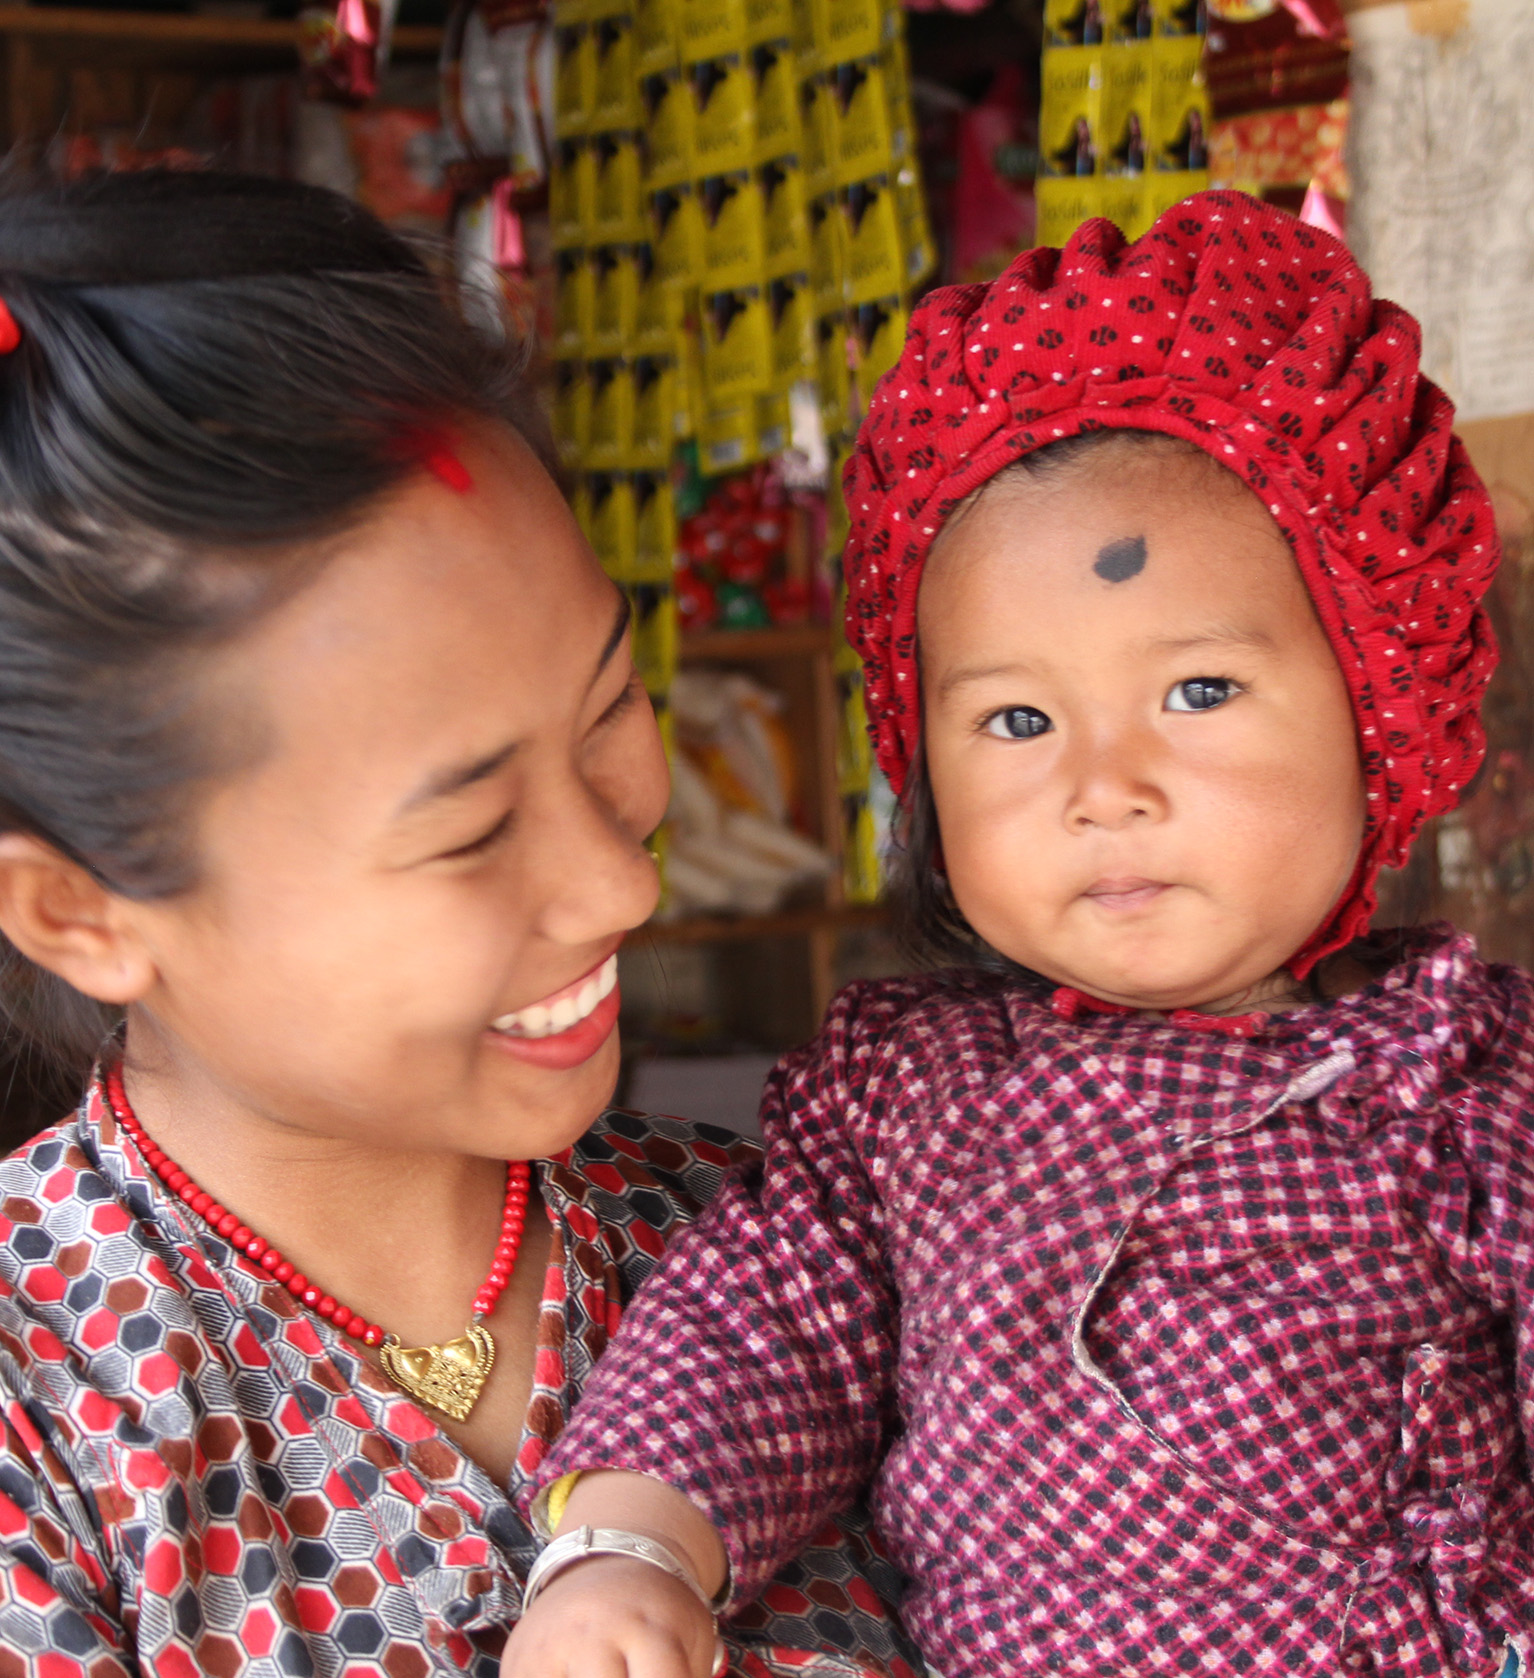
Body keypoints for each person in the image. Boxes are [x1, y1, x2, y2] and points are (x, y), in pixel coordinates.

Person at [503, 192, 1533, 1676]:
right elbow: (763, 1321)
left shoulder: (1457, 1084)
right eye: (1016, 719)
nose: (1100, 788)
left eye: (1195, 693)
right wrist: (631, 1546)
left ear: (1381, 709)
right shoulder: (903, 1100)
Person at [0, 171, 924, 1678]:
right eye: (471, 827)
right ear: (80, 911)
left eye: (613, 707)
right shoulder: (36, 1423)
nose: (621, 884)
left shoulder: (800, 1247)